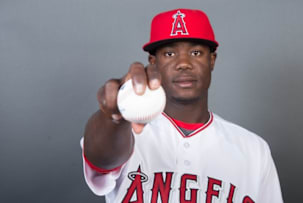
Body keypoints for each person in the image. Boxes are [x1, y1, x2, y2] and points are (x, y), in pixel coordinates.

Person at [81, 8, 283, 203]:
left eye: (196, 53)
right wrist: (114, 118)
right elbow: (102, 157)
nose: (183, 63)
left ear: (212, 60)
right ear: (153, 62)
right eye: (169, 54)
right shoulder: (125, 133)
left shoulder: (254, 150)